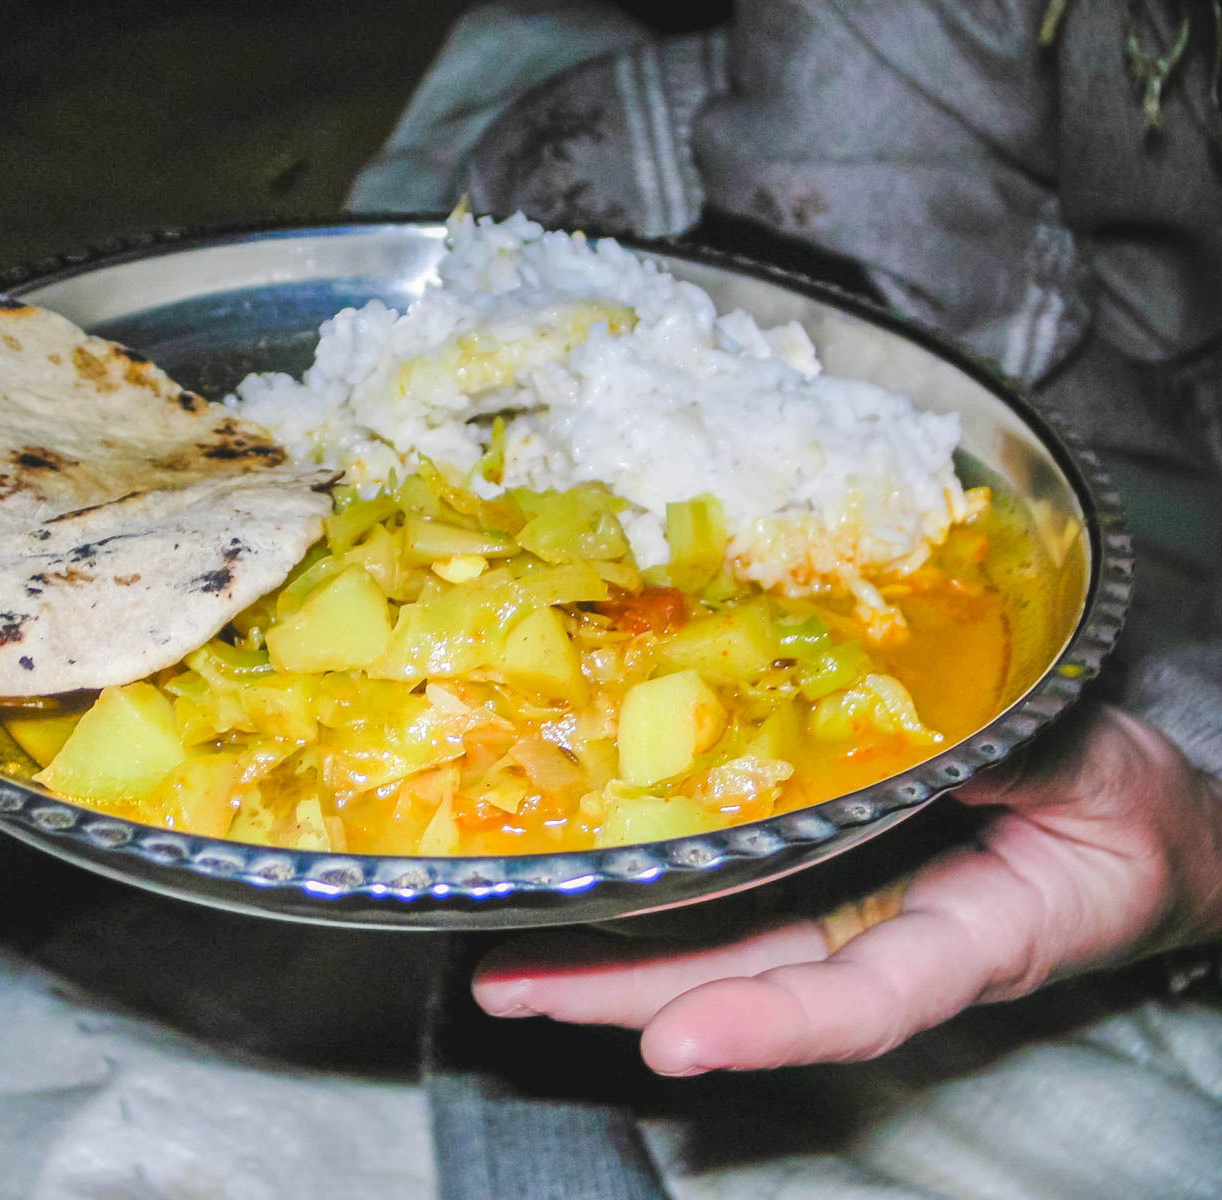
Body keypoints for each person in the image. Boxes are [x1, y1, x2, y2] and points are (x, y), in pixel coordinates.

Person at [352, 0, 1222, 1078]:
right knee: (557, 173)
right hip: (1030, 272)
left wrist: (1204, 835)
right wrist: (792, 354)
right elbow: (865, 105)